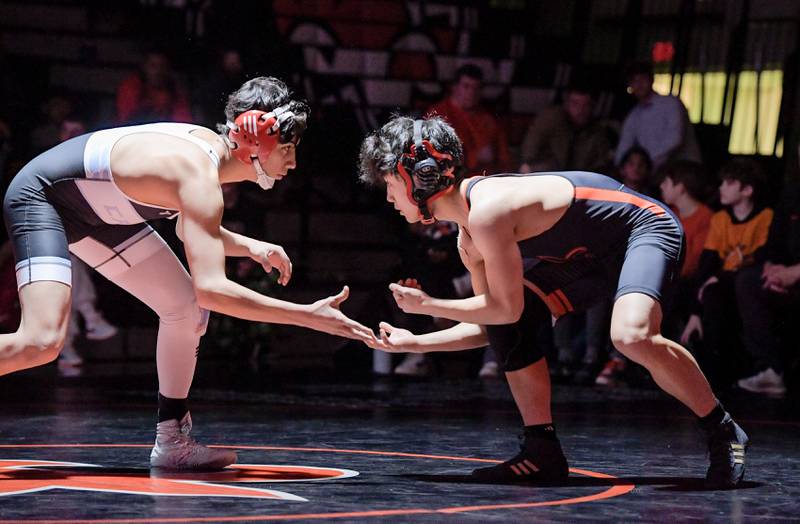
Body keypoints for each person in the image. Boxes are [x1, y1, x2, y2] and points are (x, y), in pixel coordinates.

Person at [2, 76, 376, 471]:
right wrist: (307, 316)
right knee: (41, 341)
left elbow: (189, 227)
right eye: (286, 149)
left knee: (184, 308)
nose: (293, 163)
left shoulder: (205, 161)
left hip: (99, 212)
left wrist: (248, 246)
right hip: (42, 197)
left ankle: (172, 440)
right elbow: (213, 290)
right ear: (255, 139)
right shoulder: (198, 174)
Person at [358, 115, 749, 488]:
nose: (388, 195)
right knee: (514, 327)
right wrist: (415, 342)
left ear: (419, 176)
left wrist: (430, 305)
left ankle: (723, 429)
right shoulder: (469, 238)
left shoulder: (488, 212)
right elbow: (494, 320)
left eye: (389, 182)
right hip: (586, 257)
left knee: (630, 336)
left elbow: (503, 308)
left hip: (642, 229)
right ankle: (541, 450)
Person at [680, 159, 773, 387]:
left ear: (747, 190)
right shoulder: (720, 219)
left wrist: (719, 277)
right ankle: (712, 375)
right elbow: (707, 264)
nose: (721, 187)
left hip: (746, 283)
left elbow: (760, 258)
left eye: (729, 183)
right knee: (711, 293)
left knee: (729, 287)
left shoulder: (765, 217)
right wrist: (695, 312)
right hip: (719, 286)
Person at [614, 62, 701, 170]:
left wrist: (644, 162)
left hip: (685, 169)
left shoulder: (670, 103)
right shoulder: (634, 116)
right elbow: (624, 145)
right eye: (634, 81)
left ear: (651, 80)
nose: (639, 84)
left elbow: (675, 139)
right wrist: (618, 167)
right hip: (654, 171)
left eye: (643, 79)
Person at [427, 64, 511, 174]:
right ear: (454, 87)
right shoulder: (437, 115)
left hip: (484, 182)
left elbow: (504, 161)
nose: (471, 92)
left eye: (476, 88)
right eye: (466, 86)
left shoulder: (489, 119)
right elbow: (436, 157)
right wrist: (475, 157)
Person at [519, 82, 612, 174]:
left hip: (579, 181)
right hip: (546, 176)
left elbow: (601, 166)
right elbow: (529, 154)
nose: (580, 110)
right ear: (566, 104)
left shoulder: (597, 133)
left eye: (586, 105)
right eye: (575, 104)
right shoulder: (551, 120)